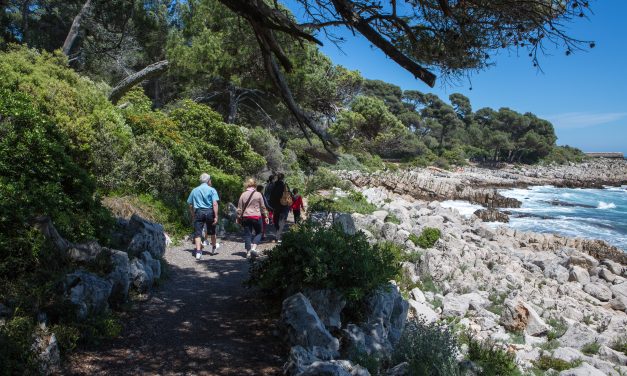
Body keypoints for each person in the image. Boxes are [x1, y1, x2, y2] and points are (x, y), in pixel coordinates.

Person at [187, 173, 220, 260]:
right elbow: (215, 204)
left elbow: (190, 203)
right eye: (210, 180)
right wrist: (216, 216)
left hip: (199, 212)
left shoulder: (194, 190)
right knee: (212, 231)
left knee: (197, 233)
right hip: (209, 212)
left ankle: (198, 252)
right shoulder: (212, 190)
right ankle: (213, 248)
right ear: (208, 180)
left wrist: (193, 213)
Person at [237, 179, 269, 258]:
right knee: (259, 232)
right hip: (256, 216)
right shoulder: (258, 194)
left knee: (248, 235)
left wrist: (238, 217)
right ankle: (253, 248)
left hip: (246, 217)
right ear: (255, 185)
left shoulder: (243, 194)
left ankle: (248, 252)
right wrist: (266, 216)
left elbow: (239, 208)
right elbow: (263, 206)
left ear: (247, 185)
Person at [269, 173, 290, 242]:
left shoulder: (274, 185)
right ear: (283, 178)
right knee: (282, 221)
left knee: (276, 220)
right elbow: (289, 195)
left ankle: (277, 234)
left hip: (276, 206)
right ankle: (278, 236)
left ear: (277, 178)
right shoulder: (285, 185)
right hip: (284, 206)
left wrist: (271, 206)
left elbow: (271, 196)